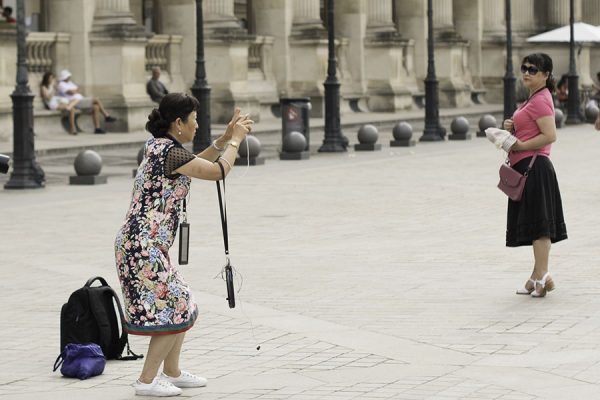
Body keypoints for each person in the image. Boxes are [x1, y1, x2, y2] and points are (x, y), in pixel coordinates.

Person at [114, 93, 253, 397]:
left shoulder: (160, 147)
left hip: (142, 243)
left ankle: (172, 372)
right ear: (179, 123)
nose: (196, 124)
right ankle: (146, 381)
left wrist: (224, 136)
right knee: (174, 305)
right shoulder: (169, 153)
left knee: (182, 300)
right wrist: (235, 142)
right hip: (143, 246)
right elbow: (217, 171)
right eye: (194, 120)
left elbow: (194, 162)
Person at [501, 53, 567, 297]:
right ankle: (536, 278)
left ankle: (544, 276)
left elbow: (549, 135)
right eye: (524, 68)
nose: (526, 72)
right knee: (536, 224)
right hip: (529, 167)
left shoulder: (540, 100)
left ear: (546, 75)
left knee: (540, 226)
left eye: (533, 70)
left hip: (535, 168)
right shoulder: (534, 98)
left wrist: (517, 145)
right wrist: (512, 127)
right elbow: (532, 128)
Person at [56, 69, 116, 134]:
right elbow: (70, 92)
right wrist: (75, 91)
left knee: (96, 107)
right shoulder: (61, 84)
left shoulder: (70, 83)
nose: (69, 77)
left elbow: (78, 89)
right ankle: (106, 115)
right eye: (68, 76)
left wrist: (75, 91)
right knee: (96, 99)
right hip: (75, 102)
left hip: (81, 100)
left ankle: (97, 128)